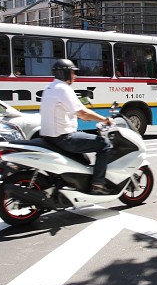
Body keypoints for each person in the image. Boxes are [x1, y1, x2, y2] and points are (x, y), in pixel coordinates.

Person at [40, 59, 114, 194]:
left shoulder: (49, 88)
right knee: (104, 145)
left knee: (83, 159)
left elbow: (62, 111)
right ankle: (98, 184)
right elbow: (83, 113)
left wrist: (80, 116)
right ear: (65, 73)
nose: (75, 76)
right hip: (63, 138)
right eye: (73, 72)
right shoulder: (64, 89)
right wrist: (105, 120)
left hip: (48, 137)